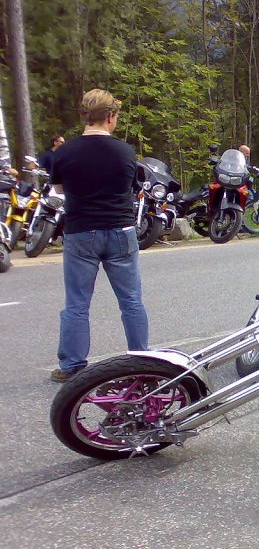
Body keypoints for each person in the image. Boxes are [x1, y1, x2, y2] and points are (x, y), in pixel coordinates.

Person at [50, 89, 148, 381]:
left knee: (77, 303)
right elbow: (133, 188)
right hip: (120, 231)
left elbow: (58, 190)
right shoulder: (125, 151)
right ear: (109, 117)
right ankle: (141, 361)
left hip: (81, 232)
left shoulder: (65, 152)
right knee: (131, 300)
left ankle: (72, 366)